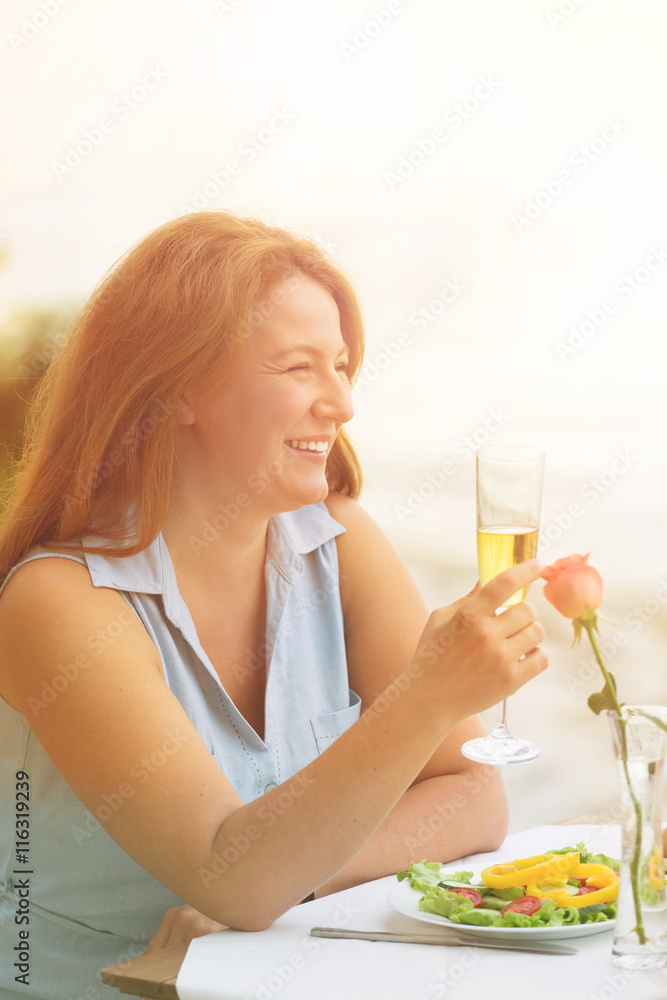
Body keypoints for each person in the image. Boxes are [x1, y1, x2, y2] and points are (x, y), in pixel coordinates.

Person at [0, 211, 547, 999]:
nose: (341, 404)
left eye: (342, 367)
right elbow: (232, 871)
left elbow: (470, 799)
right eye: (298, 369)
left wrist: (290, 882)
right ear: (178, 385)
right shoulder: (59, 602)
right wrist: (430, 691)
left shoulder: (334, 541)